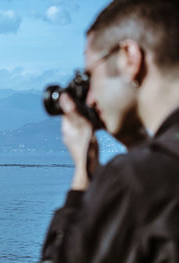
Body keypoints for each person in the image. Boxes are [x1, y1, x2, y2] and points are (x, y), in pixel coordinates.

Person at [40, 0, 179, 262]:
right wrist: (138, 143)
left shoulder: (133, 180)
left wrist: (83, 173)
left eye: (91, 75)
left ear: (129, 57)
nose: (90, 98)